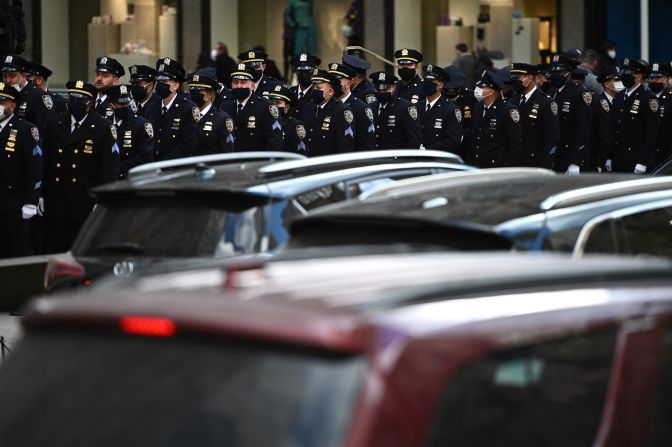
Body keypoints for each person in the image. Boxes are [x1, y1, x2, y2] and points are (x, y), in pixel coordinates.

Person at [41, 80, 120, 253]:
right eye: (72, 97)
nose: (75, 102)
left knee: (81, 249)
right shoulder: (55, 122)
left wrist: (102, 200)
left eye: (81, 99)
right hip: (56, 197)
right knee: (55, 247)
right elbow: (44, 161)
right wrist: (40, 194)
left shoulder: (102, 127)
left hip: (84, 199)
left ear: (90, 102)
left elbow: (109, 169)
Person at [0, 82, 42, 258]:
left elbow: (35, 168)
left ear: (13, 105)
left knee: (17, 251)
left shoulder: (25, 129)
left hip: (14, 203)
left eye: (2, 101)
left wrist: (31, 200)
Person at [609, 58, 659, 174]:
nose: (625, 76)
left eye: (629, 74)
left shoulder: (647, 98)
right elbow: (615, 129)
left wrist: (643, 162)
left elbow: (651, 134)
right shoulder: (620, 96)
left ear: (639, 76)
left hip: (636, 161)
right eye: (624, 73)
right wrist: (609, 156)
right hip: (618, 160)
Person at [219, 63, 284, 151]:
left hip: (256, 162)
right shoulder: (225, 107)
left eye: (243, 83)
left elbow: (274, 142)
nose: (238, 86)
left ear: (252, 85)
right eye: (235, 82)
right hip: (231, 162)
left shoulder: (265, 107)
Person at [145, 57, 200, 161]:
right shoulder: (152, 106)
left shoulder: (188, 108)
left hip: (174, 167)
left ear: (175, 86)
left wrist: (164, 165)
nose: (160, 84)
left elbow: (187, 145)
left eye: (165, 81)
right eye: (159, 81)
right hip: (152, 167)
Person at [508, 63, 559, 169]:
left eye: (518, 77)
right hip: (514, 163)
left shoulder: (545, 103)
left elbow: (551, 139)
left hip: (535, 164)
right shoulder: (512, 101)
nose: (515, 80)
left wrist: (545, 167)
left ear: (530, 78)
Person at [549, 54, 593, 174]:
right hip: (555, 156)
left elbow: (584, 130)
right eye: (553, 72)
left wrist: (576, 162)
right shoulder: (552, 92)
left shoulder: (579, 93)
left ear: (568, 73)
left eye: (560, 72)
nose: (556, 75)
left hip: (571, 155)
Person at [469, 70, 521, 168]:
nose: (477, 89)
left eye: (482, 87)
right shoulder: (478, 107)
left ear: (491, 91)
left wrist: (508, 168)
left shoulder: (507, 110)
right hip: (478, 164)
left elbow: (514, 143)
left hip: (497, 166)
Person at [302, 69, 355, 156]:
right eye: (313, 87)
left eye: (318, 88)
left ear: (330, 92)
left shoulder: (341, 111)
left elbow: (344, 147)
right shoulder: (308, 108)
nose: (314, 90)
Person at [106, 84, 154, 178]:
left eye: (127, 103)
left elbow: (144, 157)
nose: (125, 106)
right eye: (120, 103)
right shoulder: (105, 124)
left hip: (131, 178)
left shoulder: (141, 125)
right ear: (111, 105)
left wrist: (116, 168)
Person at [329, 62, 376, 151]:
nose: (333, 83)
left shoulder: (360, 108)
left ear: (348, 83)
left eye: (337, 80)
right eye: (331, 80)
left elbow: (366, 145)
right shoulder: (326, 105)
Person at [188, 68, 235, 156]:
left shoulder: (222, 119)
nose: (194, 94)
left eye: (198, 91)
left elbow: (227, 154)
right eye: (192, 90)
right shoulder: (187, 114)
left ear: (209, 94)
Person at [369, 70, 421, 149]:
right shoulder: (371, 107)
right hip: (376, 158)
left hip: (396, 159)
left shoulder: (405, 108)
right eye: (378, 90)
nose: (382, 92)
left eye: (385, 89)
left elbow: (413, 140)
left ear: (393, 88)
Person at [1, 56, 55, 130]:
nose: (7, 80)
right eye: (4, 76)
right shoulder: (4, 94)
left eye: (12, 76)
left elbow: (45, 128)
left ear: (23, 76)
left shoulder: (38, 96)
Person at [419, 64, 462, 153]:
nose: (426, 83)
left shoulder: (451, 109)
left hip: (437, 160)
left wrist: (427, 150)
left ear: (440, 85)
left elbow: (453, 141)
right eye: (425, 80)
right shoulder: (416, 107)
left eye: (430, 80)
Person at [589, 67, 619, 172]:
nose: (620, 83)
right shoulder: (599, 102)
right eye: (616, 80)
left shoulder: (621, 100)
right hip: (601, 157)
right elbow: (603, 133)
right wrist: (602, 159)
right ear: (606, 84)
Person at [442, 65, 476, 159]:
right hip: (443, 144)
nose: (451, 92)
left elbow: (475, 123)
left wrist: (461, 135)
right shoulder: (439, 97)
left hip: (465, 146)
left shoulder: (471, 98)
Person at [268, 84, 308, 155]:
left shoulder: (295, 126)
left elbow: (300, 154)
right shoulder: (265, 122)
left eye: (278, 103)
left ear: (286, 107)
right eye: (271, 102)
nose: (274, 106)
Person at [647, 63, 671, 169]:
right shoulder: (645, 97)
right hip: (648, 152)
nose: (654, 80)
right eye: (652, 77)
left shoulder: (670, 98)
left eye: (658, 77)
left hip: (666, 151)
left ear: (666, 79)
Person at [289, 52, 321, 120]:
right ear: (296, 72)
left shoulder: (318, 94)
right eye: (300, 71)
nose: (304, 74)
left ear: (314, 72)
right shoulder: (290, 93)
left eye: (308, 71)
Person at [92, 56, 125, 121]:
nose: (99, 79)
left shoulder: (119, 104)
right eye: (98, 74)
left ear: (115, 81)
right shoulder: (88, 99)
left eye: (105, 76)